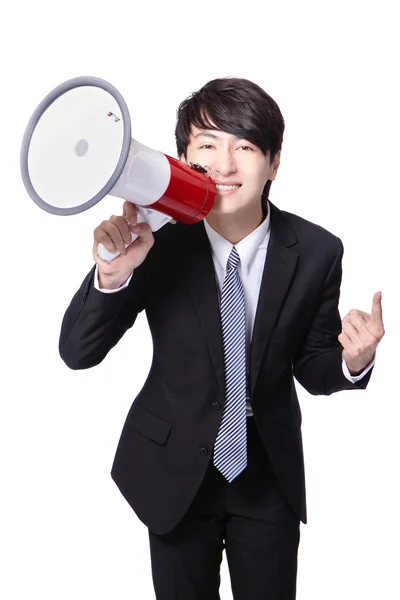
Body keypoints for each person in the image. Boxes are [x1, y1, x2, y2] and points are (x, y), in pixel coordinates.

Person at [59, 77, 385, 599]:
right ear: (185, 158)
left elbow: (313, 365)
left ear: (275, 162)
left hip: (267, 479)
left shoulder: (318, 250)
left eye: (245, 146)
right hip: (172, 475)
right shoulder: (156, 240)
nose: (225, 165)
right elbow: (77, 352)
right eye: (207, 146)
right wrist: (113, 274)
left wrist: (354, 361)